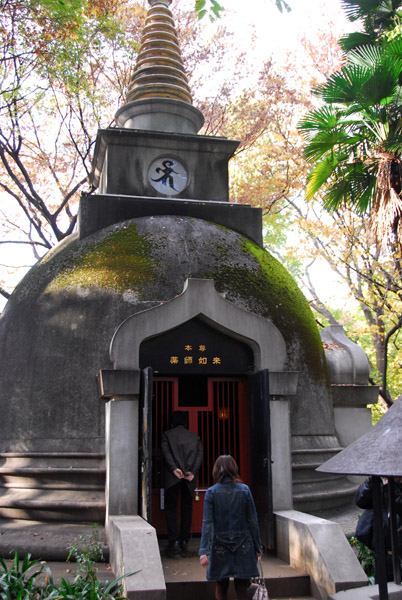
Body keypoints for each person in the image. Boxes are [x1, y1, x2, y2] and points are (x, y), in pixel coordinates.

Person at [199, 455, 263, 600]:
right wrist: (258, 546)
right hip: (243, 544)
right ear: (234, 469)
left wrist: (204, 551)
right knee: (242, 586)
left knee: (221, 586)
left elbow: (207, 522)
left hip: (219, 545)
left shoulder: (211, 492)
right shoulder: (245, 490)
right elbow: (253, 520)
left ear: (216, 470)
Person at [161, 410, 203, 557]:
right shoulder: (195, 437)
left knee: (171, 508)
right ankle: (184, 540)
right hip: (189, 478)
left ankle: (173, 541)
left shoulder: (167, 435)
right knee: (187, 508)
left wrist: (174, 469)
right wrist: (192, 471)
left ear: (172, 422)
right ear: (185, 423)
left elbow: (166, 453)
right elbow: (199, 455)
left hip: (173, 477)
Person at [355, 476, 402, 582]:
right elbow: (360, 500)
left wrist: (389, 486)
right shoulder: (378, 482)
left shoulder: (392, 487)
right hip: (383, 553)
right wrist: (372, 479)